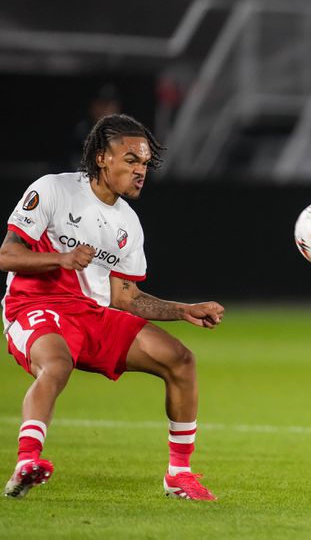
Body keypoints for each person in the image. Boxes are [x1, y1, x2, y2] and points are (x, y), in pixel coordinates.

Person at [1, 114, 224, 501]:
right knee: (56, 363)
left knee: (180, 359)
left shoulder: (128, 225)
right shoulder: (54, 189)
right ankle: (27, 462)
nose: (141, 171)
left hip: (93, 316)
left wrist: (183, 309)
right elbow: (7, 254)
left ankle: (179, 475)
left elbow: (125, 298)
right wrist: (61, 259)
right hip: (36, 305)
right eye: (131, 160)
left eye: (145, 164)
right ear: (102, 158)